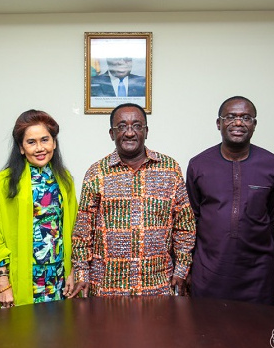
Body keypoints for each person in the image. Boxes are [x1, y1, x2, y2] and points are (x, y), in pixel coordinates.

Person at [70, 103, 196, 297]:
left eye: (136, 125)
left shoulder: (170, 169)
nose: (129, 133)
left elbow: (185, 225)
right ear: (112, 133)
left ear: (146, 131)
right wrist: (81, 273)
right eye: (121, 126)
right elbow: (83, 230)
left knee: (159, 329)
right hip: (107, 289)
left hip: (158, 287)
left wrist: (182, 268)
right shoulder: (96, 173)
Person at [186, 96, 274, 305]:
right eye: (230, 117)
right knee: (206, 333)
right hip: (209, 272)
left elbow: (272, 219)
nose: (238, 123)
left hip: (257, 275)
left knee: (256, 334)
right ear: (219, 123)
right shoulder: (198, 165)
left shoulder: (273, 165)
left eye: (246, 117)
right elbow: (191, 220)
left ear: (254, 124)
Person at [0, 110, 77, 309]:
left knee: (59, 337)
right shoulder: (5, 182)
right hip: (22, 279)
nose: (40, 148)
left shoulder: (64, 181)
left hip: (58, 280)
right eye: (31, 142)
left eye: (45, 140)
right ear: (21, 147)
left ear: (54, 143)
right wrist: (3, 284)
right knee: (21, 337)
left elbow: (75, 230)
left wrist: (73, 273)